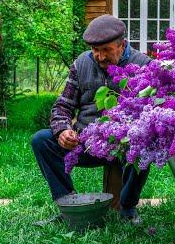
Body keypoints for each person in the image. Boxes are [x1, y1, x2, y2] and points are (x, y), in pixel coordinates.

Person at [31, 14, 151, 224]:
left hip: (122, 145)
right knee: (41, 140)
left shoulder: (143, 65)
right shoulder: (81, 63)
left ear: (122, 45)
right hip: (84, 143)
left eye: (106, 50)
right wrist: (63, 131)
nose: (100, 56)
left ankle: (128, 208)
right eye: (95, 50)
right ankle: (69, 205)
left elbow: (151, 114)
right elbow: (63, 105)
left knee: (144, 144)